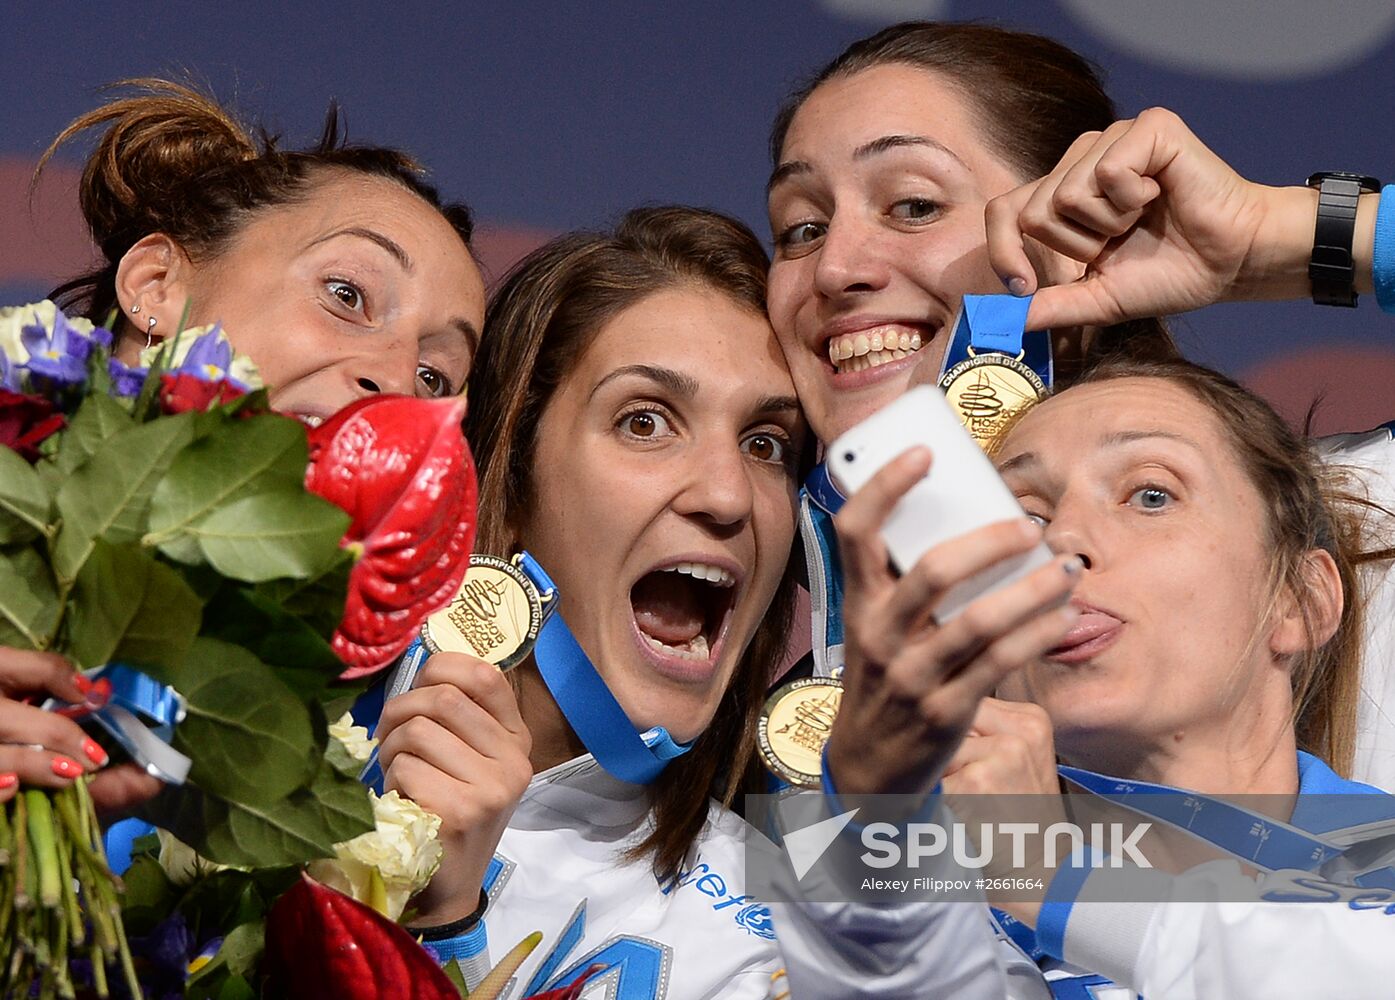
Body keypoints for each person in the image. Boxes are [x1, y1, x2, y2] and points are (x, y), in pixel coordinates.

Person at [807, 109, 1395, 999]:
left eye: (1149, 494)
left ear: (1302, 602)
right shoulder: (921, 905)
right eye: (1023, 511)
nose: (1063, 541)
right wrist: (879, 821)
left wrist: (1283, 237)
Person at [362, 206, 1017, 999]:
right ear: (508, 474)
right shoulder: (272, 713)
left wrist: (436, 931)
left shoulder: (780, 936)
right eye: (645, 422)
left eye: (765, 443)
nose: (726, 495)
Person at [763, 20, 1395, 794]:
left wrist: (1278, 237)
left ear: (1075, 234)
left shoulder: (1364, 536)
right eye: (799, 228)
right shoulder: (787, 746)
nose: (833, 266)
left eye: (914, 205)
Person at [2, 79, 486, 815]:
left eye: (433, 374)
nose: (394, 381)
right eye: (347, 294)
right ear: (157, 282)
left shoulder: (379, 761)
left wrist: (450, 922)